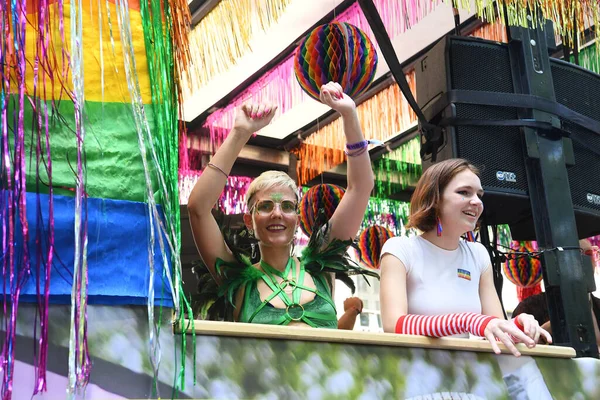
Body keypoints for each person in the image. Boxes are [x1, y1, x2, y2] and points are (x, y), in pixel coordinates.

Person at [187, 81, 376, 329]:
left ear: (297, 219)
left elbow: (360, 188)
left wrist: (349, 114)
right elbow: (198, 208)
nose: (277, 213)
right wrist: (240, 133)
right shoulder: (238, 282)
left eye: (287, 206)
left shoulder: (321, 266)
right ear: (249, 220)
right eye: (265, 206)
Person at [379, 158, 552, 356]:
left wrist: (519, 326)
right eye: (464, 192)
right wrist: (468, 321)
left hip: (467, 374)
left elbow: (495, 329)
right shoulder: (400, 249)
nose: (477, 201)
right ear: (434, 198)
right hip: (416, 372)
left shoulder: (478, 254)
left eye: (479, 195)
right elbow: (394, 325)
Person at [513, 238, 600, 346]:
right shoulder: (530, 307)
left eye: (589, 254)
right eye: (574, 254)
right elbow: (519, 346)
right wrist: (553, 325)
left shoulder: (598, 305)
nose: (582, 260)